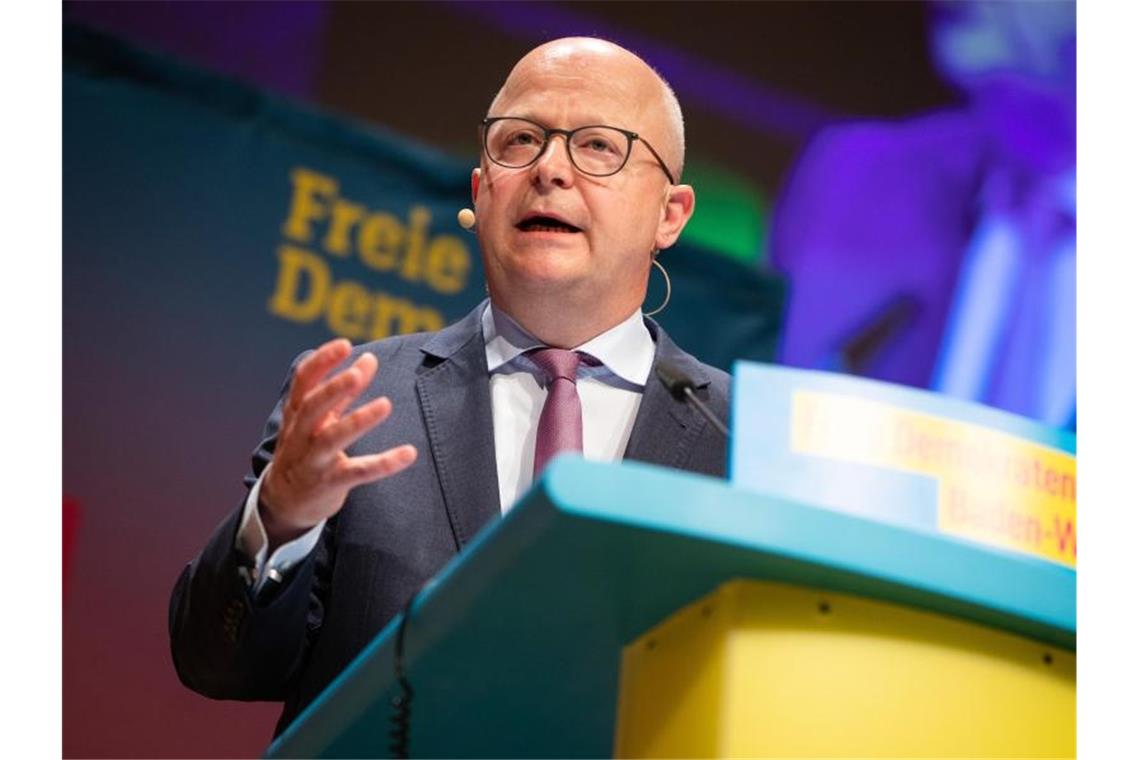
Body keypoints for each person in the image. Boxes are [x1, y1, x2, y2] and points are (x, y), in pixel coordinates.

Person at [169, 36, 730, 736]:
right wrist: (279, 519)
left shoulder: (737, 439)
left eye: (597, 146)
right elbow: (215, 664)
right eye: (520, 140)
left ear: (669, 214)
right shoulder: (360, 398)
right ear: (479, 193)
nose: (550, 168)